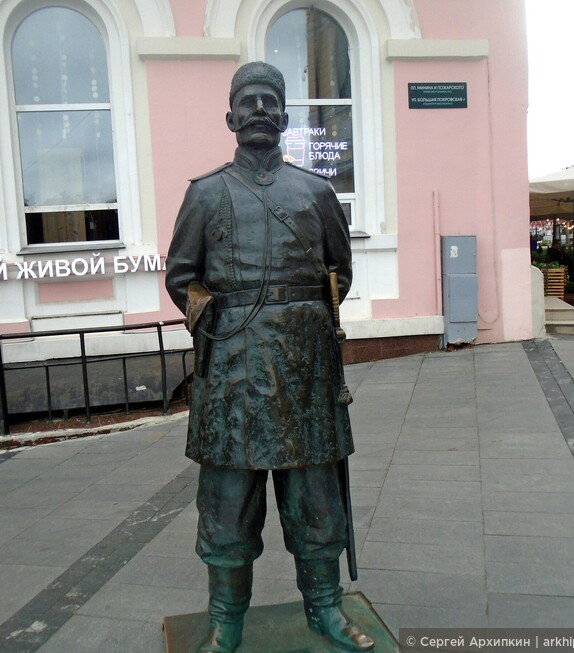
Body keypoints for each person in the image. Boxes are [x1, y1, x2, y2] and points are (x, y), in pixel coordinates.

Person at [165, 61, 374, 652]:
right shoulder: (205, 194)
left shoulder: (315, 192)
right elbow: (181, 277)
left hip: (305, 374)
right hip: (232, 372)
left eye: (269, 101)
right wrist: (223, 323)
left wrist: (302, 326)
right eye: (247, 101)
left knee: (316, 500)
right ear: (230, 117)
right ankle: (226, 620)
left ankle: (325, 608)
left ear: (284, 116)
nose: (259, 110)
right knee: (227, 504)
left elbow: (339, 273)